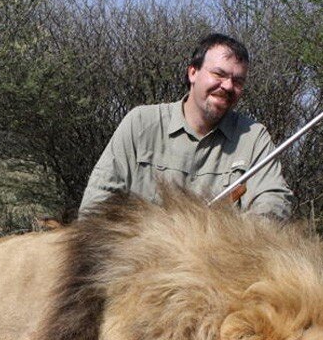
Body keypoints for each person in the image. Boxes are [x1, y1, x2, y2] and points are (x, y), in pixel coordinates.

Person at [79, 33, 293, 220]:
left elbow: (273, 205)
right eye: (219, 74)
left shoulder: (254, 137)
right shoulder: (140, 123)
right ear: (193, 73)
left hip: (215, 261)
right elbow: (97, 201)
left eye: (238, 81)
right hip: (140, 260)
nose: (228, 86)